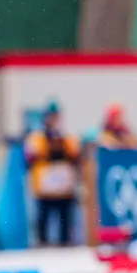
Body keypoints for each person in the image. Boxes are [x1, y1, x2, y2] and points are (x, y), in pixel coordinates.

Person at [24, 105, 82, 246]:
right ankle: (42, 243)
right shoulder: (37, 137)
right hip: (45, 187)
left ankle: (65, 243)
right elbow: (31, 156)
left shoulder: (66, 137)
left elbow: (76, 155)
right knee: (43, 219)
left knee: (65, 219)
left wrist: (60, 140)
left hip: (64, 187)